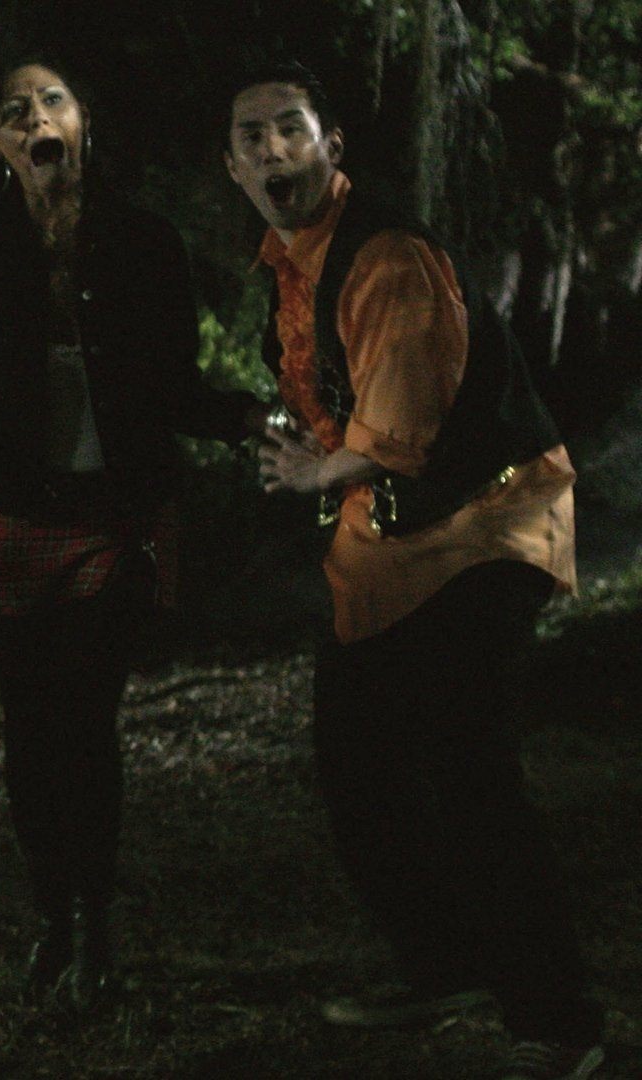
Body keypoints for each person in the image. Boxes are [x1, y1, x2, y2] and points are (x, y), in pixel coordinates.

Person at [229, 62, 605, 1080]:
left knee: (466, 764)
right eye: (252, 137)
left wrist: (314, 467)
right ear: (233, 166)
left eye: (290, 127)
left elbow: (402, 429)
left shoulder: (387, 254)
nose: (273, 149)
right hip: (394, 540)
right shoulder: (292, 263)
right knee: (356, 756)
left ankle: (559, 1020)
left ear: (332, 145)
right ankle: (442, 963)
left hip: (487, 520)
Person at [0, 58, 267, 1010]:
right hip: (22, 517)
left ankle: (92, 928)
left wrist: (250, 420)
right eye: (15, 111)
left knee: (83, 719)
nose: (36, 118)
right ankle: (52, 915)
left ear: (82, 123)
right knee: (28, 733)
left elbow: (176, 387)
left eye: (53, 101)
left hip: (119, 515)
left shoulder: (145, 241)